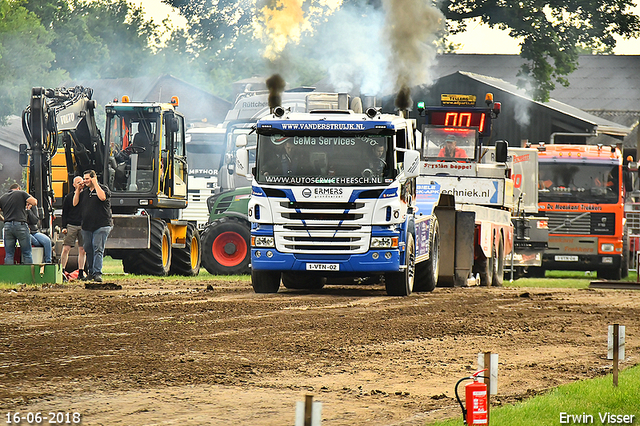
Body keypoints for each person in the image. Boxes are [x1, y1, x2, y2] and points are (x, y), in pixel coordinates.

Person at [73, 170, 113, 283]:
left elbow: (102, 198)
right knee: (88, 249)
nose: (85, 181)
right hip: (87, 226)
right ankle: (90, 272)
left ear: (93, 178)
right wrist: (78, 190)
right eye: (84, 179)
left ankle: (97, 273)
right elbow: (75, 203)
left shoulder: (103, 189)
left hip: (101, 224)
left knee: (97, 248)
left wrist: (95, 184)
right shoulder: (84, 192)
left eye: (87, 179)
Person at [0, 184, 38, 264]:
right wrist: (27, 200)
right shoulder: (21, 193)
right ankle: (28, 275)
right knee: (27, 253)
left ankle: (9, 275)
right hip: (20, 225)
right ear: (18, 188)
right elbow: (34, 202)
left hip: (7, 226)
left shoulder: (3, 198)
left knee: (9, 254)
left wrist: (4, 220)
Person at [60, 176, 87, 279]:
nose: (80, 184)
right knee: (66, 248)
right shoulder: (68, 197)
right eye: (78, 182)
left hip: (83, 225)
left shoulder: (86, 196)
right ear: (74, 185)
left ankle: (81, 271)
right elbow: (65, 213)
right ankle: (62, 270)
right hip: (71, 225)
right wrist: (64, 226)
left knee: (82, 249)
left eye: (81, 182)